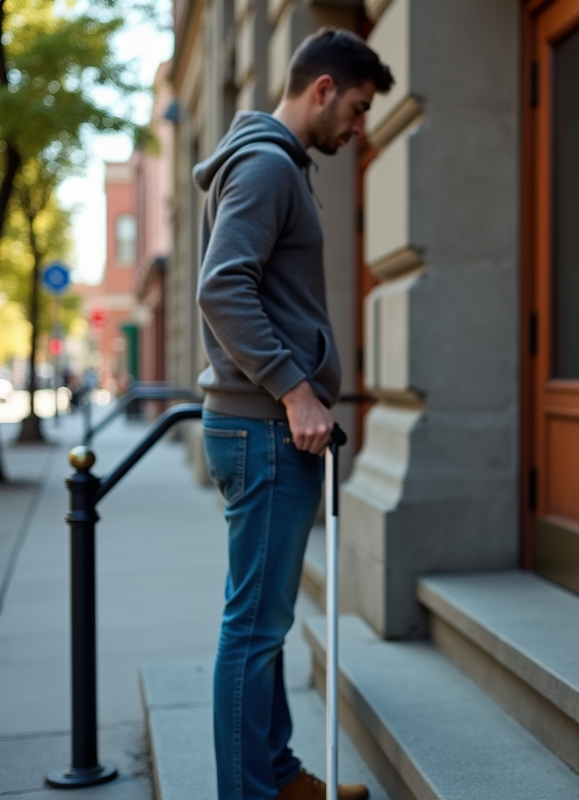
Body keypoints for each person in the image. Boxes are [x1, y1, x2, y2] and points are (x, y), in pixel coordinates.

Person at [194, 28, 392, 800]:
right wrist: (295, 390)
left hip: (266, 429)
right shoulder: (270, 168)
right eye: (358, 106)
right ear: (322, 89)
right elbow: (222, 288)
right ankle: (251, 792)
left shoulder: (272, 165)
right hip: (267, 430)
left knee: (262, 623)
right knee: (252, 629)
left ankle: (275, 778)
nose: (359, 125)